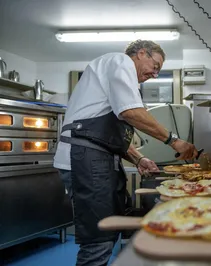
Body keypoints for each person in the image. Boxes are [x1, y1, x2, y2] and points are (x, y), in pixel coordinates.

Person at [53, 39, 198, 266]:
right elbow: (131, 112)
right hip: (83, 157)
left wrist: (139, 158)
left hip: (97, 158)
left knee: (109, 233)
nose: (155, 74)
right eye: (156, 66)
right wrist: (174, 141)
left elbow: (108, 134)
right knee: (99, 238)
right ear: (141, 53)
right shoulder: (119, 61)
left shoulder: (121, 79)